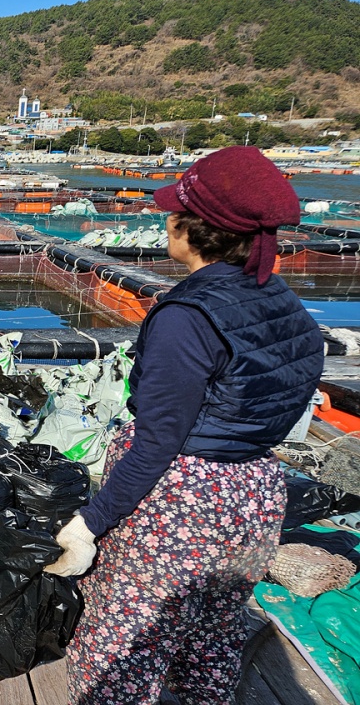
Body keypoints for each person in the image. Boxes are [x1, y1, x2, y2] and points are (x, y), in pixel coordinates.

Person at [46, 146, 325, 704]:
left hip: (180, 504)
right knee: (212, 639)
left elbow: (156, 445)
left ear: (191, 228)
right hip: (255, 497)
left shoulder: (189, 317)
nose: (165, 219)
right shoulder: (282, 300)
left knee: (125, 649)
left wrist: (88, 524)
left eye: (173, 212)